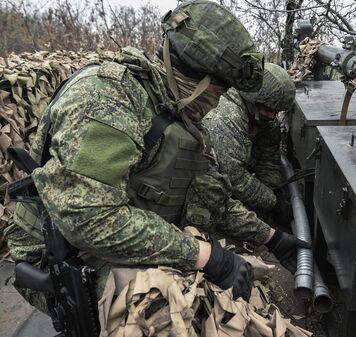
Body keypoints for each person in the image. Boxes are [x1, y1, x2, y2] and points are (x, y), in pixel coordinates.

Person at [4, 0, 301, 312]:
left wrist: (271, 236)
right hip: (60, 256)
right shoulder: (106, 97)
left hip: (118, 237)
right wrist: (203, 255)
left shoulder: (179, 116)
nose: (219, 103)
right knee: (178, 311)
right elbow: (91, 218)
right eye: (219, 92)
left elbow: (214, 200)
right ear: (198, 82)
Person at [203, 63, 294, 223]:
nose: (272, 116)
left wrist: (272, 190)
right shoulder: (226, 116)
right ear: (252, 100)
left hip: (238, 178)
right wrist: (272, 202)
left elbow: (269, 161)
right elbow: (234, 177)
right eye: (268, 109)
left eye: (277, 111)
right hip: (210, 183)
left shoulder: (265, 116)